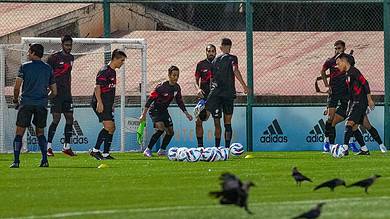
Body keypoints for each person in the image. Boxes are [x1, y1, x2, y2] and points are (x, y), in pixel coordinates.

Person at [10, 43, 57, 168]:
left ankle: (16, 161)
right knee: (40, 133)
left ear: (33, 53)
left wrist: (15, 100)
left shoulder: (24, 67)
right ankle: (45, 160)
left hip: (26, 103)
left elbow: (16, 87)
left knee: (19, 132)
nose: (27, 53)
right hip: (41, 105)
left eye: (29, 51)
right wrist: (44, 98)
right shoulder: (48, 68)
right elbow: (54, 91)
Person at [140, 66, 193, 157]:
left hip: (164, 111)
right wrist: (143, 114)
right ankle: (148, 149)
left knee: (170, 132)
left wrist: (186, 113)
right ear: (169, 75)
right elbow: (150, 100)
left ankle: (162, 150)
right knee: (160, 129)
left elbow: (179, 101)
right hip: (155, 110)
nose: (176, 77)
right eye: (174, 75)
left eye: (177, 75)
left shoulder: (177, 88)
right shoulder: (161, 87)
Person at [206, 38, 248, 148]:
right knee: (227, 122)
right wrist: (244, 85)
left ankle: (216, 148)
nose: (219, 48)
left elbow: (212, 79)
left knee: (217, 123)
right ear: (230, 46)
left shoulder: (215, 60)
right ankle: (227, 148)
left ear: (225, 46)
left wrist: (211, 93)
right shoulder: (233, 58)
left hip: (217, 95)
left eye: (221, 46)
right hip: (228, 94)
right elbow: (235, 70)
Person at [89, 49, 127, 160]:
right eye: (122, 60)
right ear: (115, 59)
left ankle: (105, 153)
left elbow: (110, 90)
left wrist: (111, 104)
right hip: (100, 103)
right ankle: (95, 150)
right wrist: (100, 103)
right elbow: (97, 87)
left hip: (107, 104)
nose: (122, 63)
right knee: (109, 126)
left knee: (112, 128)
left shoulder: (113, 72)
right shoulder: (104, 71)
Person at [336, 53, 374, 155]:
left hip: (360, 102)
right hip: (355, 102)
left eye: (338, 63)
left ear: (344, 61)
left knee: (349, 124)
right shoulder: (347, 74)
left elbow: (365, 83)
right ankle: (364, 149)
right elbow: (352, 93)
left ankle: (344, 148)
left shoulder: (354, 71)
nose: (337, 66)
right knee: (353, 127)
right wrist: (349, 105)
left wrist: (369, 100)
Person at [46, 35, 76, 156]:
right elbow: (47, 74)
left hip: (67, 94)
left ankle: (66, 146)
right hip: (56, 94)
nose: (69, 47)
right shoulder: (53, 58)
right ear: (62, 44)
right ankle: (48, 147)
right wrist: (50, 90)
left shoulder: (71, 58)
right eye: (67, 45)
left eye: (70, 45)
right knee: (56, 119)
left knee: (70, 118)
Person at [194, 44, 216, 147]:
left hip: (216, 97)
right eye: (209, 51)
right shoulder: (201, 64)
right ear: (206, 52)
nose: (211, 53)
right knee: (198, 121)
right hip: (203, 97)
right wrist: (198, 89)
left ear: (215, 52)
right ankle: (200, 147)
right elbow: (195, 80)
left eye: (212, 51)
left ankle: (218, 148)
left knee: (217, 122)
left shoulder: (219, 63)